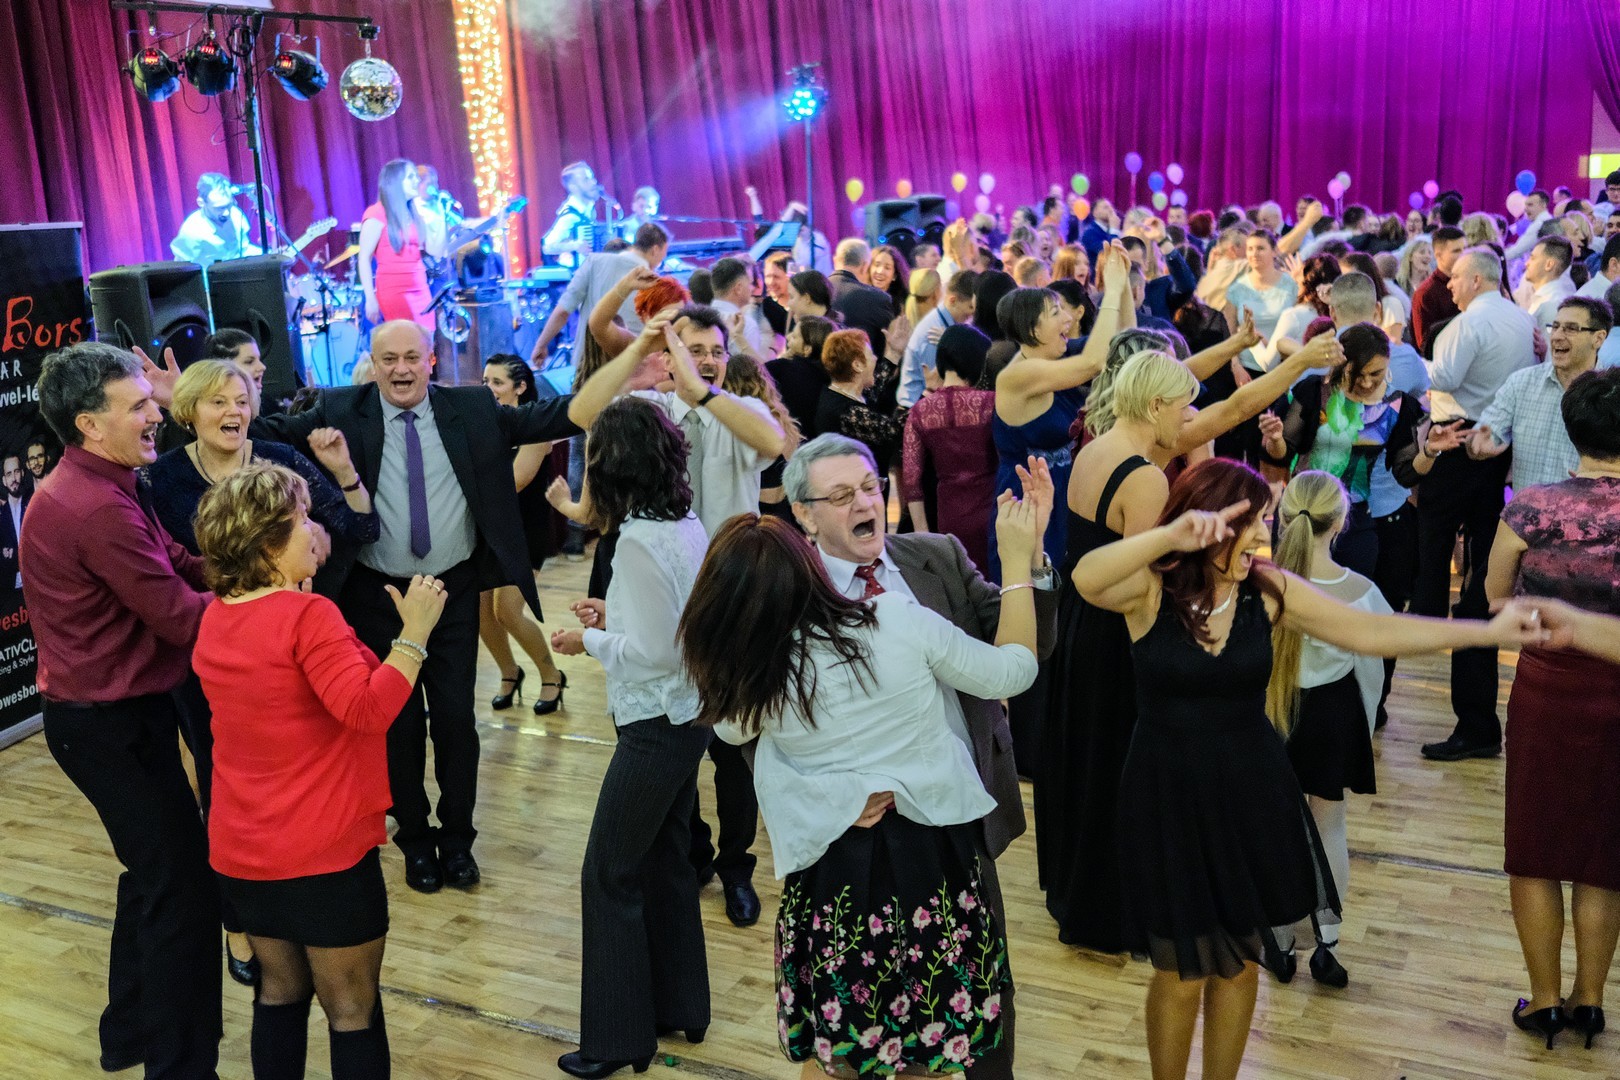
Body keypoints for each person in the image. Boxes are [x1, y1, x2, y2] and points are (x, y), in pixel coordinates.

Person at [1072, 457, 1541, 1080]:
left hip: (1250, 789)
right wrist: (1168, 536)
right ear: (1207, 523)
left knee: (1242, 963)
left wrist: (1486, 633)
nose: (1261, 538)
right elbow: (1085, 577)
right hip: (1168, 794)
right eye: (1249, 524)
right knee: (1180, 971)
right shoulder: (1151, 590)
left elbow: (1371, 632)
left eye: (1263, 522)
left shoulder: (1268, 591)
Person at [151, 318, 590, 894]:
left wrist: (629, 367)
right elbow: (255, 429)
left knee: (457, 723)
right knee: (396, 727)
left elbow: (560, 415)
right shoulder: (338, 409)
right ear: (373, 364)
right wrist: (182, 402)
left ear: (431, 361)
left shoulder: (470, 407)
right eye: (389, 359)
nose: (401, 369)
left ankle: (458, 842)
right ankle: (416, 843)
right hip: (376, 595)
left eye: (412, 357)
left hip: (451, 590)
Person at [681, 501, 1042, 1079]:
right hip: (931, 859)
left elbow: (730, 731)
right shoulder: (895, 618)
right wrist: (1019, 565)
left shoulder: (760, 678)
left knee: (840, 1055)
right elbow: (1014, 672)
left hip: (834, 872)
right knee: (930, 1044)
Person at [780, 432, 1057, 1079]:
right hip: (848, 848)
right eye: (841, 495)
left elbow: (1025, 644)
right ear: (804, 514)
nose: (863, 502)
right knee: (855, 1041)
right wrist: (828, 801)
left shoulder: (935, 556)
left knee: (974, 1008)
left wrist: (1032, 556)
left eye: (869, 486)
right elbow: (755, 736)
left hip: (952, 829)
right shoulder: (787, 596)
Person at [189, 464, 445, 1079]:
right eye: (301, 518)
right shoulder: (308, 618)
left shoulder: (216, 616)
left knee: (278, 995)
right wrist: (414, 635)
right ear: (266, 544)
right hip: (322, 852)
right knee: (351, 1009)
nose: (314, 529)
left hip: (245, 851)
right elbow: (368, 709)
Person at [22, 341, 221, 1076]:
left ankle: (127, 1034)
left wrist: (244, 566)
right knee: (182, 893)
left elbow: (178, 563)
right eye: (137, 405)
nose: (155, 414)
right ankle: (179, 1066)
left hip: (120, 715)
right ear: (88, 424)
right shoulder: (94, 506)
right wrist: (269, 603)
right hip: (106, 725)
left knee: (152, 874)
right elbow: (179, 616)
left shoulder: (111, 481)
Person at [569, 306, 784, 927]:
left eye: (716, 349)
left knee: (735, 752)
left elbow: (774, 444)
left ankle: (738, 868)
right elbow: (583, 415)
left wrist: (703, 391)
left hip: (733, 606)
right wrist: (638, 350)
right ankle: (693, 854)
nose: (708, 359)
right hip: (658, 596)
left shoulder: (739, 410)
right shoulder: (652, 413)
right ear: (670, 354)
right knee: (670, 740)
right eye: (694, 349)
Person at [547, 397, 711, 1078]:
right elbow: (676, 621)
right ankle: (680, 1005)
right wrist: (614, 613)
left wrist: (587, 641)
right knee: (666, 860)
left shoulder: (638, 540)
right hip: (690, 719)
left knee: (608, 872)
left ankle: (616, 1041)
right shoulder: (684, 524)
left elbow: (652, 654)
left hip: (653, 727)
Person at [1484, 365, 1620, 1050]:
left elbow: (1495, 598)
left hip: (1547, 690)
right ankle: (1590, 1000)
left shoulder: (1531, 509)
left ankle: (1542, 1001)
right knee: (1606, 851)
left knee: (1535, 849)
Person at [1264, 471, 1393, 988]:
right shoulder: (1361, 592)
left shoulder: (1260, 584)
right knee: (1330, 826)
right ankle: (1327, 943)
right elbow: (1373, 668)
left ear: (1281, 518)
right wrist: (1364, 722)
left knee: (1276, 829)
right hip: (1333, 716)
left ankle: (1279, 942)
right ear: (1339, 524)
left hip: (1274, 713)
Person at [1415, 247, 1538, 761]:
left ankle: (1425, 616)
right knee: (1483, 540)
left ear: (1478, 279)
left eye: (1456, 278)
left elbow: (1443, 378)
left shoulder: (1469, 323)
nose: (1449, 286)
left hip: (1464, 436)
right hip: (1496, 445)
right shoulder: (1521, 319)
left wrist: (1411, 362)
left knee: (1435, 532)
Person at [146, 360, 378, 595]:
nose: (234, 411)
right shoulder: (160, 476)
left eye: (242, 402)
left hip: (288, 606)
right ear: (190, 410)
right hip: (205, 611)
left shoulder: (282, 460)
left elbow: (364, 529)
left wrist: (344, 470)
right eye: (219, 402)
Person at [989, 244, 1131, 579]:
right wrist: (1109, 289)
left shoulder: (1058, 356)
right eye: (1056, 313)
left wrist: (1122, 284)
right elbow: (1094, 363)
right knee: (1036, 591)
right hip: (1029, 501)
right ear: (1033, 329)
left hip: (1065, 493)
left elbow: (1121, 340)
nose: (1068, 319)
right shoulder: (1015, 376)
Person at [1263, 324, 1431, 579]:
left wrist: (1430, 451)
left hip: (1354, 519)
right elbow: (1282, 453)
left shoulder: (1397, 406)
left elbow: (1406, 473)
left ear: (1388, 365)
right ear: (1343, 364)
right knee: (1293, 589)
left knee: (1352, 592)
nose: (1367, 382)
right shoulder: (1314, 391)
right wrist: (1275, 439)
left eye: (1376, 373)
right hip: (1302, 511)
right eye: (1357, 374)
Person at [478, 355, 568, 714]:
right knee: (481, 612)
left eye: (497, 382)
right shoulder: (485, 425)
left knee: (507, 611)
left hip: (524, 531)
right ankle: (509, 672)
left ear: (520, 387)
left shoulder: (534, 427)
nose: (488, 389)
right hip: (487, 529)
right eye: (485, 381)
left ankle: (551, 675)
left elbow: (515, 481)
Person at [1469, 296, 1609, 490]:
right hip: (1524, 508)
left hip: (1581, 508)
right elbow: (1486, 432)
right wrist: (1477, 445)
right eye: (1555, 327)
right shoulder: (1521, 383)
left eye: (1570, 328)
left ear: (1598, 338)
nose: (1557, 336)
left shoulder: (1610, 394)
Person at [902, 324, 997, 572]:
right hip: (992, 509)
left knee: (959, 580)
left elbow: (911, 480)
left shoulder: (920, 411)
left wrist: (922, 534)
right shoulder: (991, 403)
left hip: (949, 513)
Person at [531, 224, 671, 362]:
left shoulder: (593, 262)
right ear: (655, 250)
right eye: (664, 253)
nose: (661, 260)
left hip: (587, 364)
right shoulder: (655, 284)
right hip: (631, 367)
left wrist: (540, 345)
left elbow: (562, 311)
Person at [815, 328, 906, 477]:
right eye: (870, 355)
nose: (875, 359)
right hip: (854, 487)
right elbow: (895, 430)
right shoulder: (846, 412)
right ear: (857, 365)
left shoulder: (843, 392)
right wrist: (930, 391)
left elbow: (875, 387)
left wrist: (894, 353)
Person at [358, 159, 433, 333]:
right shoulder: (376, 213)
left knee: (427, 340)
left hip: (421, 288)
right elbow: (363, 258)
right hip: (395, 292)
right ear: (395, 182)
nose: (417, 180)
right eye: (411, 177)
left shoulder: (413, 213)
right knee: (407, 340)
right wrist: (370, 298)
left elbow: (432, 250)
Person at [899, 269, 976, 408]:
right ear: (953, 300)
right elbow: (939, 387)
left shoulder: (947, 326)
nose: (972, 314)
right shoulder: (933, 335)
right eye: (970, 307)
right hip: (914, 410)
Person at [1224, 229, 1299, 370]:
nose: (1254, 254)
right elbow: (1229, 333)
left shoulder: (1291, 285)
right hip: (1247, 369)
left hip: (1283, 366)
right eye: (1250, 249)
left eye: (1260, 248)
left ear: (1274, 251)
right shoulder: (1236, 289)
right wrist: (1236, 366)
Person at [171, 172, 262, 266]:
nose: (227, 213)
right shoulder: (191, 232)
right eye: (219, 208)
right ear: (201, 203)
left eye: (229, 205)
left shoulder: (236, 214)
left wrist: (268, 255)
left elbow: (244, 250)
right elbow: (183, 268)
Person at [769, 314, 838, 437]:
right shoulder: (833, 380)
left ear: (807, 349)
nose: (788, 337)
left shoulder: (781, 369)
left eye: (794, 336)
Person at [829, 239, 896, 358]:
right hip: (862, 366)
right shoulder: (878, 299)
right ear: (865, 266)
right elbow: (887, 347)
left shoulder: (814, 290)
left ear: (835, 260)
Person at [1412, 226, 1467, 356]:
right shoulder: (1426, 293)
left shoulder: (1470, 282)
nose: (1463, 255)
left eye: (1465, 249)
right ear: (1438, 255)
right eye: (1456, 251)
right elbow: (1424, 343)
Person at [543, 160, 604, 269]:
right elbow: (547, 247)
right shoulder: (570, 215)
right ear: (573, 187)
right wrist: (574, 245)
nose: (593, 182)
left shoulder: (588, 208)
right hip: (573, 274)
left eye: (592, 178)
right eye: (586, 179)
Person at [1514, 236, 1577, 330]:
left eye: (1533, 258)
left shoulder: (1551, 305)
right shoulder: (1544, 298)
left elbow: (1549, 339)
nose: (1526, 264)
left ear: (1549, 265)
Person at [203, 328, 268, 395]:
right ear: (221, 370)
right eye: (249, 362)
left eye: (259, 359)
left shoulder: (267, 400)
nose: (263, 367)